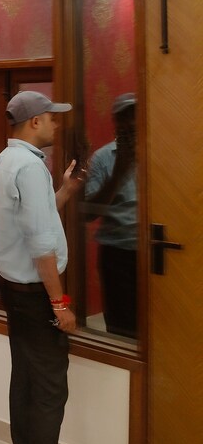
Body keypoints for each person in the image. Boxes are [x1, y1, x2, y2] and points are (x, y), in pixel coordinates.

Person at [0, 90, 88, 444]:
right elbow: (42, 243)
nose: (56, 125)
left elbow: (32, 219)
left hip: (13, 287)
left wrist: (65, 190)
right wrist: (60, 303)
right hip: (34, 293)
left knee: (26, 378)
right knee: (48, 392)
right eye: (51, 118)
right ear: (33, 123)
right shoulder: (28, 167)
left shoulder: (5, 162)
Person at [83, 93, 137, 338]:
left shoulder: (161, 153)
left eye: (135, 115)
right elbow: (88, 213)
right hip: (118, 253)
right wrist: (119, 173)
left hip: (156, 250)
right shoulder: (103, 158)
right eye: (125, 117)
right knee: (121, 326)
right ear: (117, 122)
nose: (131, 122)